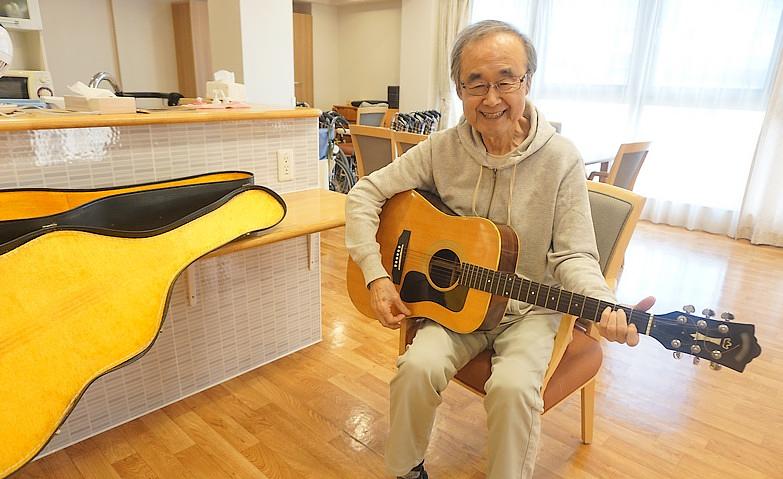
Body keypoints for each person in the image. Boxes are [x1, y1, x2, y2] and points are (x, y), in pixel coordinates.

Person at [344, 20, 655, 479]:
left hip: (530, 311)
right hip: (458, 306)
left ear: (527, 82)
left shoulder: (560, 158)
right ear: (459, 90)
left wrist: (603, 304)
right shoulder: (441, 149)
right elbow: (364, 194)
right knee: (416, 368)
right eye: (476, 84)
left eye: (506, 81)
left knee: (513, 390)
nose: (491, 99)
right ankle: (407, 471)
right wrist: (375, 273)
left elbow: (574, 254)